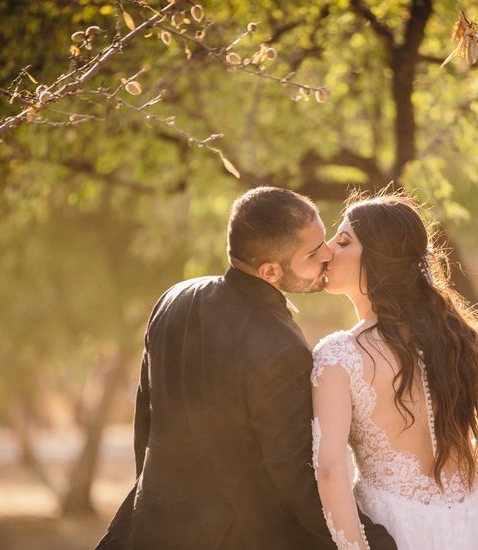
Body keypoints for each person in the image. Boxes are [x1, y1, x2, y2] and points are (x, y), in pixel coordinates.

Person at [95, 187, 396, 550]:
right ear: (270, 271)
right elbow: (296, 477)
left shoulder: (174, 298)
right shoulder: (281, 348)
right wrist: (370, 540)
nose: (328, 253)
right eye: (314, 253)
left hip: (147, 526)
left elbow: (145, 423)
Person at [311, 191, 478, 550]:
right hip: (475, 517)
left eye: (344, 241)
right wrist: (461, 474)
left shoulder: (338, 357)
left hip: (396, 526)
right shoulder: (453, 339)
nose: (328, 249)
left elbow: (330, 471)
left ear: (378, 259)